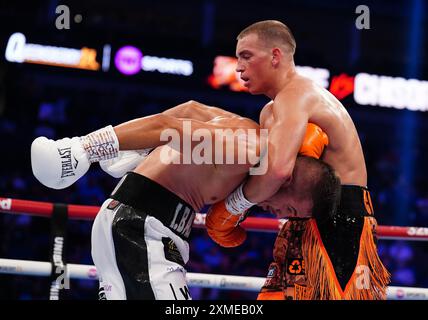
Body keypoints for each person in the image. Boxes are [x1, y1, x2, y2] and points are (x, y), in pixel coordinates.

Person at [31, 100, 331, 300]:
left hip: (144, 227)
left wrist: (139, 152)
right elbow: (169, 127)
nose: (278, 213)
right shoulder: (250, 148)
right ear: (287, 178)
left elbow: (190, 110)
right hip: (139, 229)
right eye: (289, 209)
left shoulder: (246, 139)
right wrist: (88, 148)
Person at [208, 20, 390, 299]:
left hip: (339, 221)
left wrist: (232, 206)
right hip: (301, 219)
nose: (238, 68)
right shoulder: (273, 109)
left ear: (275, 56)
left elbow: (279, 171)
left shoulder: (298, 95)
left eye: (246, 56)